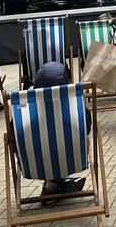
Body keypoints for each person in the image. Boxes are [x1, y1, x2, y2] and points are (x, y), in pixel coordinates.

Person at [32, 61, 89, 199]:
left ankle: (52, 181)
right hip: (71, 160)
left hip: (33, 165)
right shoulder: (78, 111)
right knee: (82, 138)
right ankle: (55, 181)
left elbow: (14, 139)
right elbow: (85, 132)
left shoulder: (25, 113)